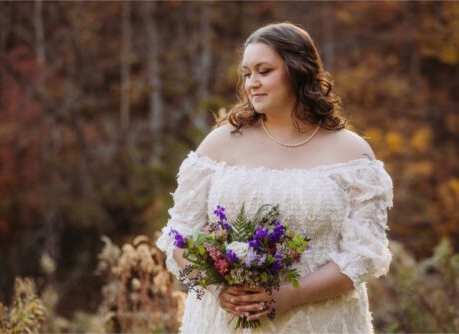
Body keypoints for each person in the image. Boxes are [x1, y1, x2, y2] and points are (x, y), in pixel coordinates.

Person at [156, 21, 393, 333]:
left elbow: (364, 257)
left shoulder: (352, 154)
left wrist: (287, 297)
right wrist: (217, 291)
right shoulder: (219, 144)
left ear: (297, 71)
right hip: (223, 323)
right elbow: (179, 237)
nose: (252, 82)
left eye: (264, 71)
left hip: (321, 321)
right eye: (246, 73)